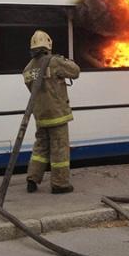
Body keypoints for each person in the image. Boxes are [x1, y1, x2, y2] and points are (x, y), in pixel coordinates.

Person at [23, 30, 80, 194]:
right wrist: (64, 61)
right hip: (57, 116)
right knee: (60, 149)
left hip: (40, 116)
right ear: (48, 45)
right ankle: (60, 184)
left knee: (40, 148)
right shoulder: (54, 62)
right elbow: (75, 71)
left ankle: (32, 180)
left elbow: (33, 89)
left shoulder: (27, 69)